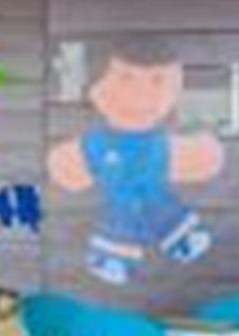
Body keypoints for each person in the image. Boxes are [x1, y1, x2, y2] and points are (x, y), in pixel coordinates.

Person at [47, 50, 225, 285]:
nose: (140, 98)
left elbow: (189, 156)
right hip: (120, 206)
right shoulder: (99, 142)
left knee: (164, 211)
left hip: (157, 198)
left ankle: (182, 237)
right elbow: (70, 164)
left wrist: (201, 153)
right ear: (98, 90)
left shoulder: (159, 141)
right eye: (126, 79)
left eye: (157, 81)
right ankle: (114, 256)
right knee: (119, 224)